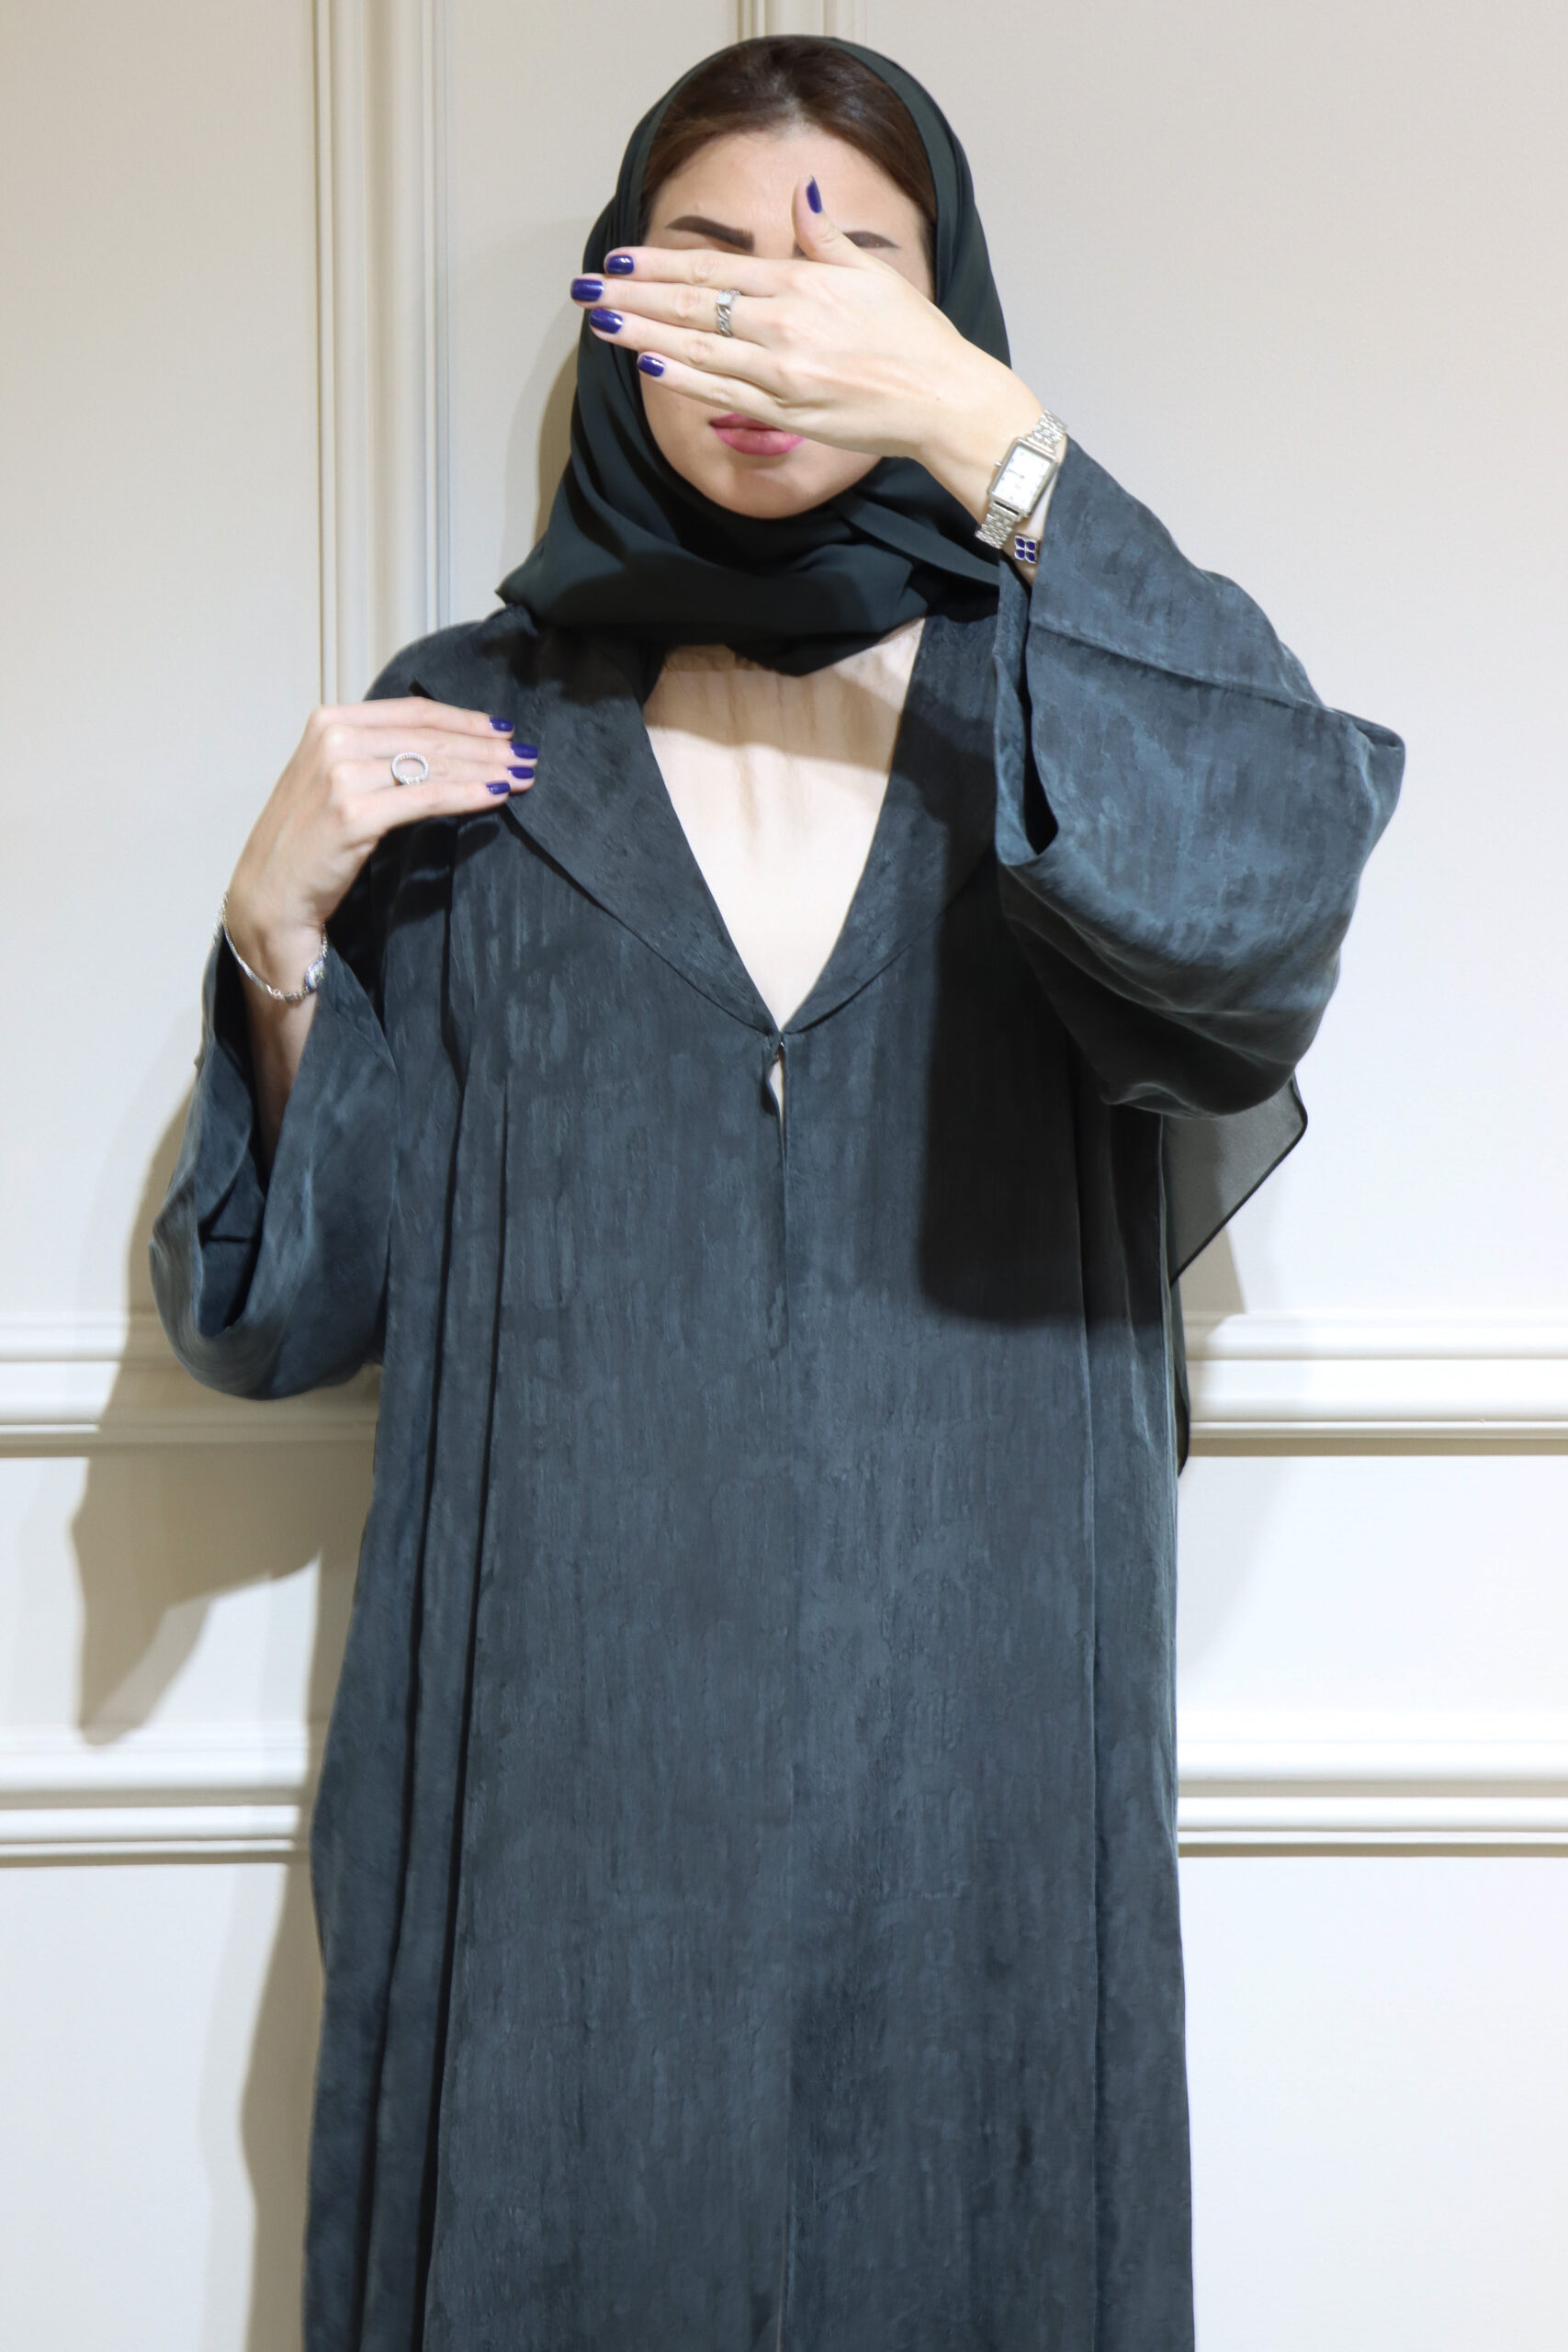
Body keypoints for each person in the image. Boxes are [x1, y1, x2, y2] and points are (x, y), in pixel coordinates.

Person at [152, 35, 1402, 2352]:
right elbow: (291, 1306)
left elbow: (1261, 905)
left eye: (848, 276)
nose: (763, 327)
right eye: (705, 262)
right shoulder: (475, 734)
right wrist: (278, 938)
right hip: (560, 1776)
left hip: (978, 1734)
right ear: (614, 298)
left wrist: (994, 445)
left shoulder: (1052, 710)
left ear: (943, 314)